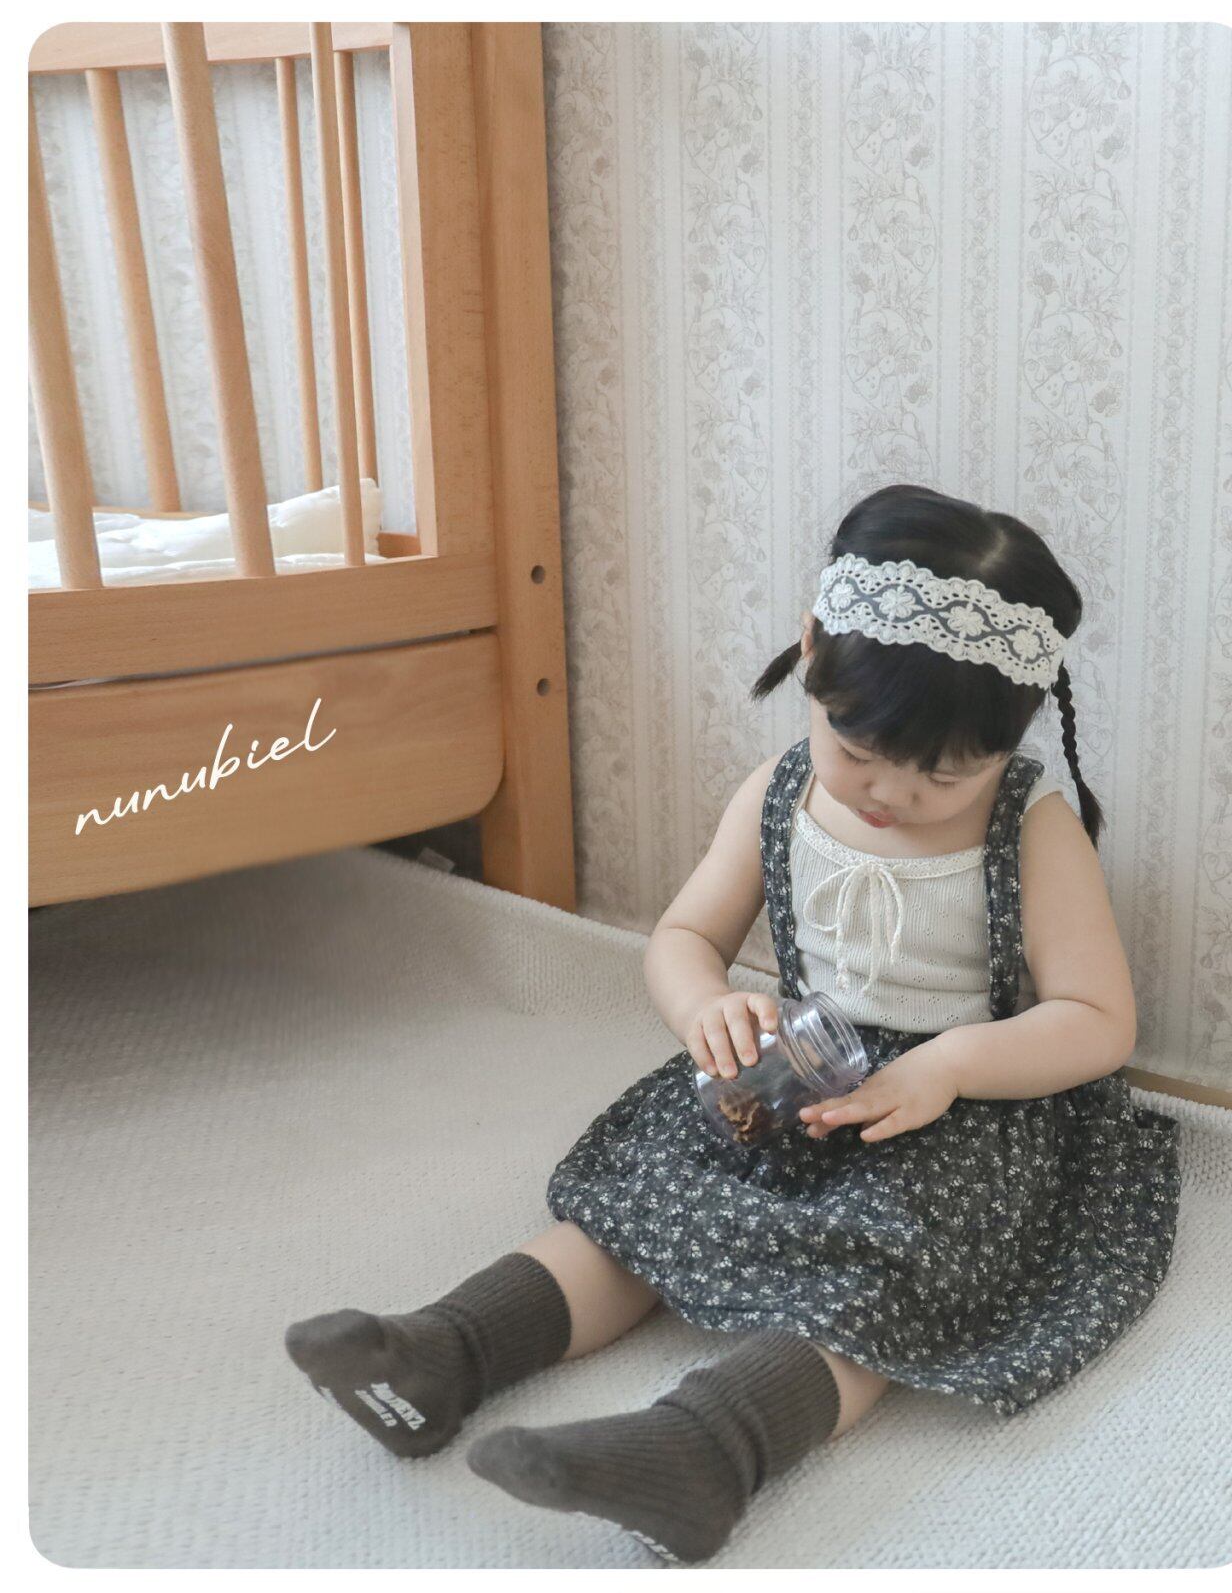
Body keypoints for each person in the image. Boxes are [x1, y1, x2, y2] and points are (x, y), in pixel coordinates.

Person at [284, 483, 1181, 1565]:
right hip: (792, 1068)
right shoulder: (778, 790)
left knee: (879, 1268)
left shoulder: (1030, 828)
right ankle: (447, 1352)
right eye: (857, 750)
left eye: (942, 775)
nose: (889, 793)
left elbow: (1097, 1018)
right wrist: (705, 1004)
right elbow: (680, 936)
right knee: (642, 1201)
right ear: (810, 653)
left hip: (957, 1111)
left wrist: (948, 1065)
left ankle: (704, 1452)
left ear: (1012, 734)